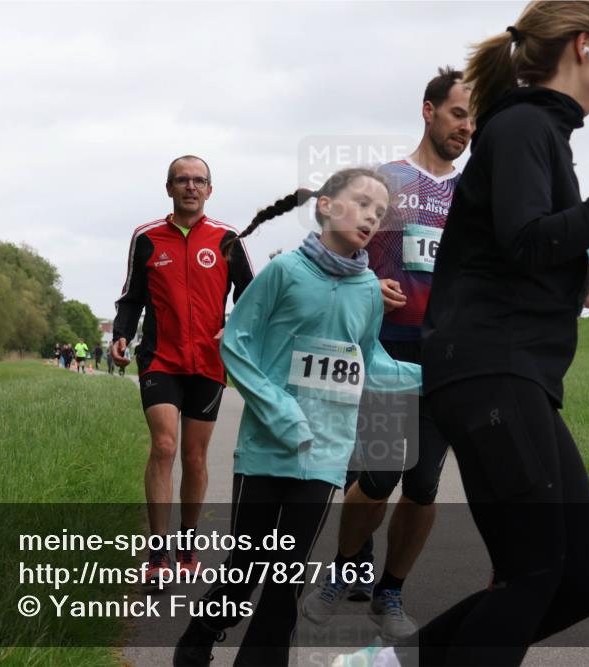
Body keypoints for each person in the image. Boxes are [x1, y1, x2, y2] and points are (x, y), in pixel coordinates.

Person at [334, 2, 589, 665]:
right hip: (493, 371)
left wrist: (582, 287)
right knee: (535, 573)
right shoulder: (523, 126)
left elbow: (506, 251)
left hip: (511, 372)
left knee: (575, 583)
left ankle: (384, 662)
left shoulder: (537, 132)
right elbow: (526, 239)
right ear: (582, 47)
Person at [173, 168, 421, 667]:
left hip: (325, 454)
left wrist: (433, 376)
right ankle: (200, 635)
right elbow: (235, 345)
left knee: (286, 575)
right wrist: (281, 412)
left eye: (380, 210)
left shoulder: (370, 289)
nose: (372, 215)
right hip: (267, 447)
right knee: (243, 570)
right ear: (326, 206)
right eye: (362, 203)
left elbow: (369, 362)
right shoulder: (284, 271)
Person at [303, 66, 473, 640]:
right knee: (378, 475)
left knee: (424, 485)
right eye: (457, 113)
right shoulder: (386, 182)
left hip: (447, 355)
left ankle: (390, 592)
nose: (466, 127)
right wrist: (368, 284)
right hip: (387, 348)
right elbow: (341, 249)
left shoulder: (474, 194)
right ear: (428, 110)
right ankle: (341, 572)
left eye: (474, 118)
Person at [112, 155, 254, 583]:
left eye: (199, 180)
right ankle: (156, 555)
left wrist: (233, 332)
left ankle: (187, 543)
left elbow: (251, 296)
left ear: (210, 189)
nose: (191, 186)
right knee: (165, 446)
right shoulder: (147, 237)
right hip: (160, 357)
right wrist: (121, 333)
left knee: (194, 456)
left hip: (209, 363)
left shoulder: (228, 238)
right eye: (182, 180)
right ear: (169, 188)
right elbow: (131, 296)